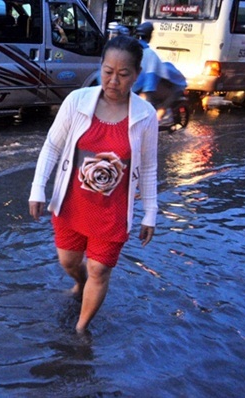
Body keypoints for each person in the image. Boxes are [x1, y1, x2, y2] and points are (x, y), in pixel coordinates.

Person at [29, 35, 158, 334]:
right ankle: (79, 283)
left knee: (99, 269)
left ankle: (81, 329)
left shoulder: (145, 115)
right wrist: (38, 188)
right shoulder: (77, 101)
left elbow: (149, 166)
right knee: (69, 261)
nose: (114, 80)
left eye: (123, 74)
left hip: (112, 212)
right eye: (108, 71)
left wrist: (150, 212)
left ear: (137, 75)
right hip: (72, 203)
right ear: (100, 68)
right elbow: (51, 147)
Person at [132, 22, 186, 124]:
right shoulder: (148, 52)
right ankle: (160, 113)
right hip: (143, 86)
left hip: (137, 86)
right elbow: (151, 76)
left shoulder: (137, 50)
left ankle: (160, 114)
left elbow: (151, 76)